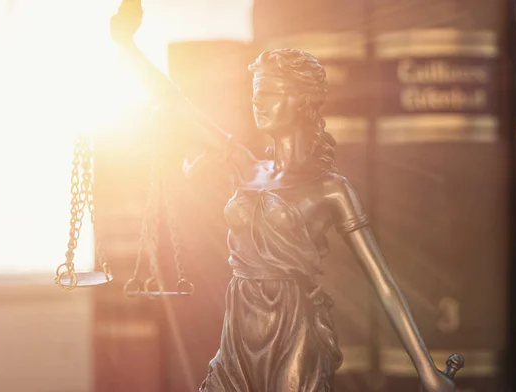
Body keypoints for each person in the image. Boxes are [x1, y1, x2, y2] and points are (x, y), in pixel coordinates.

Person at [110, 3, 457, 392]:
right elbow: (177, 103)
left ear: (302, 101)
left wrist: (428, 373)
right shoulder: (245, 165)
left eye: (271, 92)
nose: (258, 102)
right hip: (238, 328)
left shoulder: (331, 189)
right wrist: (128, 47)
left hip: (293, 331)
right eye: (256, 92)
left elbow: (384, 285)